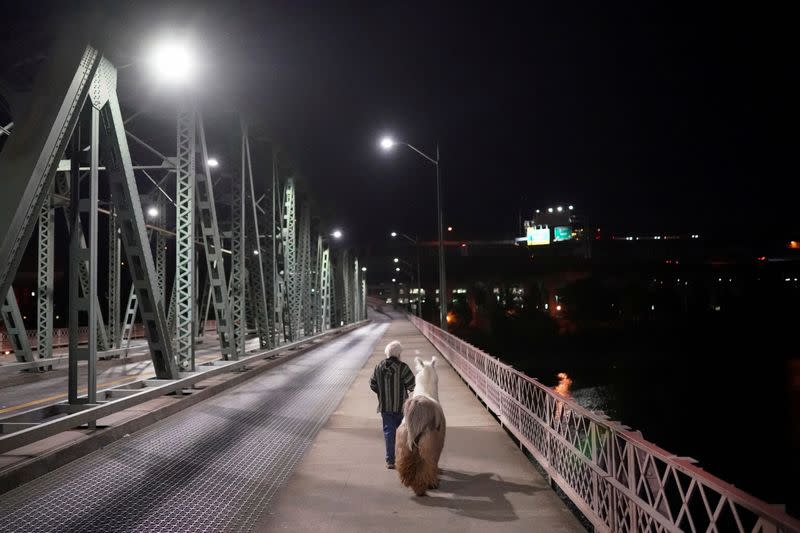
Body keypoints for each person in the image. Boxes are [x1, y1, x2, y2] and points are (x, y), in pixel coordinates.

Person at [370, 340, 415, 469]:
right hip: (401, 407)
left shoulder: (378, 367)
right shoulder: (403, 367)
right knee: (403, 433)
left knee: (389, 432)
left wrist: (382, 392)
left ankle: (390, 460)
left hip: (385, 407)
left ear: (387, 353)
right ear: (399, 354)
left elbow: (372, 383)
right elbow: (412, 385)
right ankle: (403, 459)